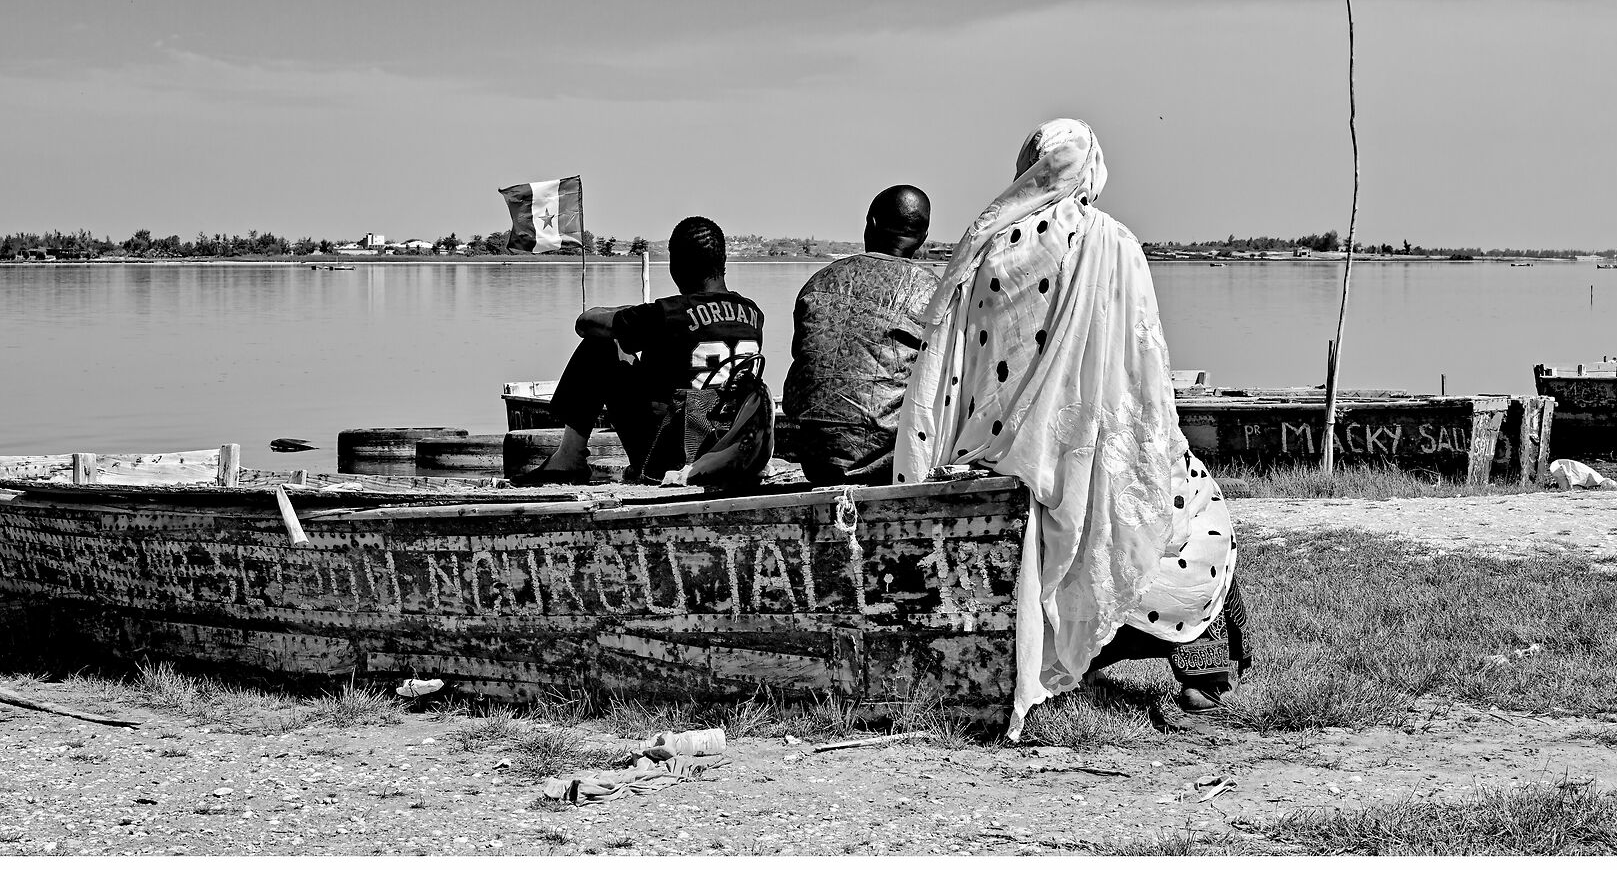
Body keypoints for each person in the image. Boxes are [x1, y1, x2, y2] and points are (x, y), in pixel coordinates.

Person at [893, 118, 1251, 738]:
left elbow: (951, 376)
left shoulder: (989, 247)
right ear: (1092, 171)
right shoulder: (1118, 246)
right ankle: (1206, 675)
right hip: (1089, 455)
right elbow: (1144, 381)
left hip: (996, 460)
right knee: (1197, 510)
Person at [520, 215, 772, 487]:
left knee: (601, 345)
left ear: (676, 267)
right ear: (723, 263)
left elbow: (585, 323)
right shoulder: (752, 314)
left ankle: (569, 458)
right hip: (723, 446)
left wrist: (632, 313)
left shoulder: (668, 315)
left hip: (666, 456)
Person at [779, 184, 942, 484]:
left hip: (815, 461)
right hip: (890, 464)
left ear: (871, 224)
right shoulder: (933, 294)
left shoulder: (820, 281)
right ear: (922, 239)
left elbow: (800, 377)